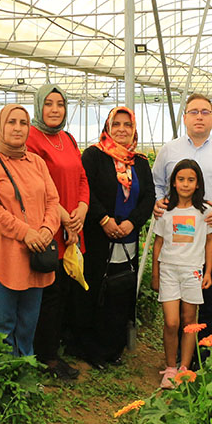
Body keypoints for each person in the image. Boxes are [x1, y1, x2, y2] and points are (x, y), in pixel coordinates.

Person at [152, 93, 212, 345]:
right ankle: (182, 344)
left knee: (210, 285)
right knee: (179, 280)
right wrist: (158, 201)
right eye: (194, 112)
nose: (199, 117)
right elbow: (156, 183)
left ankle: (206, 346)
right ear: (184, 117)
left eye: (205, 112)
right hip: (176, 231)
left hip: (210, 228)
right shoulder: (169, 150)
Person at [0, 104, 61, 357]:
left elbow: (53, 201)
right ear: (1, 126)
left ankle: (25, 374)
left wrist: (46, 229)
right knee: (3, 325)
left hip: (35, 255)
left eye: (23, 123)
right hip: (4, 255)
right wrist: (26, 233)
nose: (18, 128)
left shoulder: (36, 162)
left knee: (28, 322)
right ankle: (7, 380)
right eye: (12, 122)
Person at [80, 106, 154, 368]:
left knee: (121, 290)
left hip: (127, 237)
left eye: (127, 125)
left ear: (134, 129)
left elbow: (148, 198)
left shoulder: (141, 162)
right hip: (99, 237)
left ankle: (114, 347)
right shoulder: (93, 156)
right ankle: (92, 350)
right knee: (96, 289)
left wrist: (131, 223)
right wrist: (104, 220)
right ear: (108, 127)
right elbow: (85, 189)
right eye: (117, 124)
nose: (122, 129)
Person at [26, 83, 89, 380]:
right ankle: (46, 359)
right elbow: (39, 186)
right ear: (39, 106)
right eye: (49, 103)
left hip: (72, 226)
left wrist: (82, 210)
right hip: (50, 228)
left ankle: (56, 349)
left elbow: (81, 177)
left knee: (64, 291)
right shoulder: (32, 139)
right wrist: (65, 218)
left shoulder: (68, 138)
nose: (54, 109)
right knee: (48, 294)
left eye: (60, 104)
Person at [151, 159, 212, 388]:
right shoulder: (165, 211)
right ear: (173, 183)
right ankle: (170, 367)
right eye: (181, 180)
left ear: (198, 184)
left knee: (189, 322)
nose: (186, 184)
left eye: (191, 180)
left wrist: (208, 271)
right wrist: (155, 273)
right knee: (171, 322)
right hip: (169, 270)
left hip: (193, 272)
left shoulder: (205, 212)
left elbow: (210, 242)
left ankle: (184, 369)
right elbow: (158, 243)